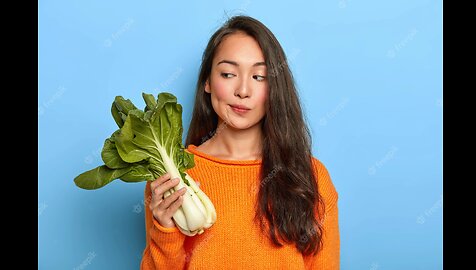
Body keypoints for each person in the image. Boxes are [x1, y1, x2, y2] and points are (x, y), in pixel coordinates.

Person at [141, 15, 339, 269]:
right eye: (228, 74)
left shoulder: (311, 177)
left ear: (275, 87)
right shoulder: (173, 178)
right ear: (208, 82)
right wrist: (165, 231)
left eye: (259, 77)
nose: (243, 91)